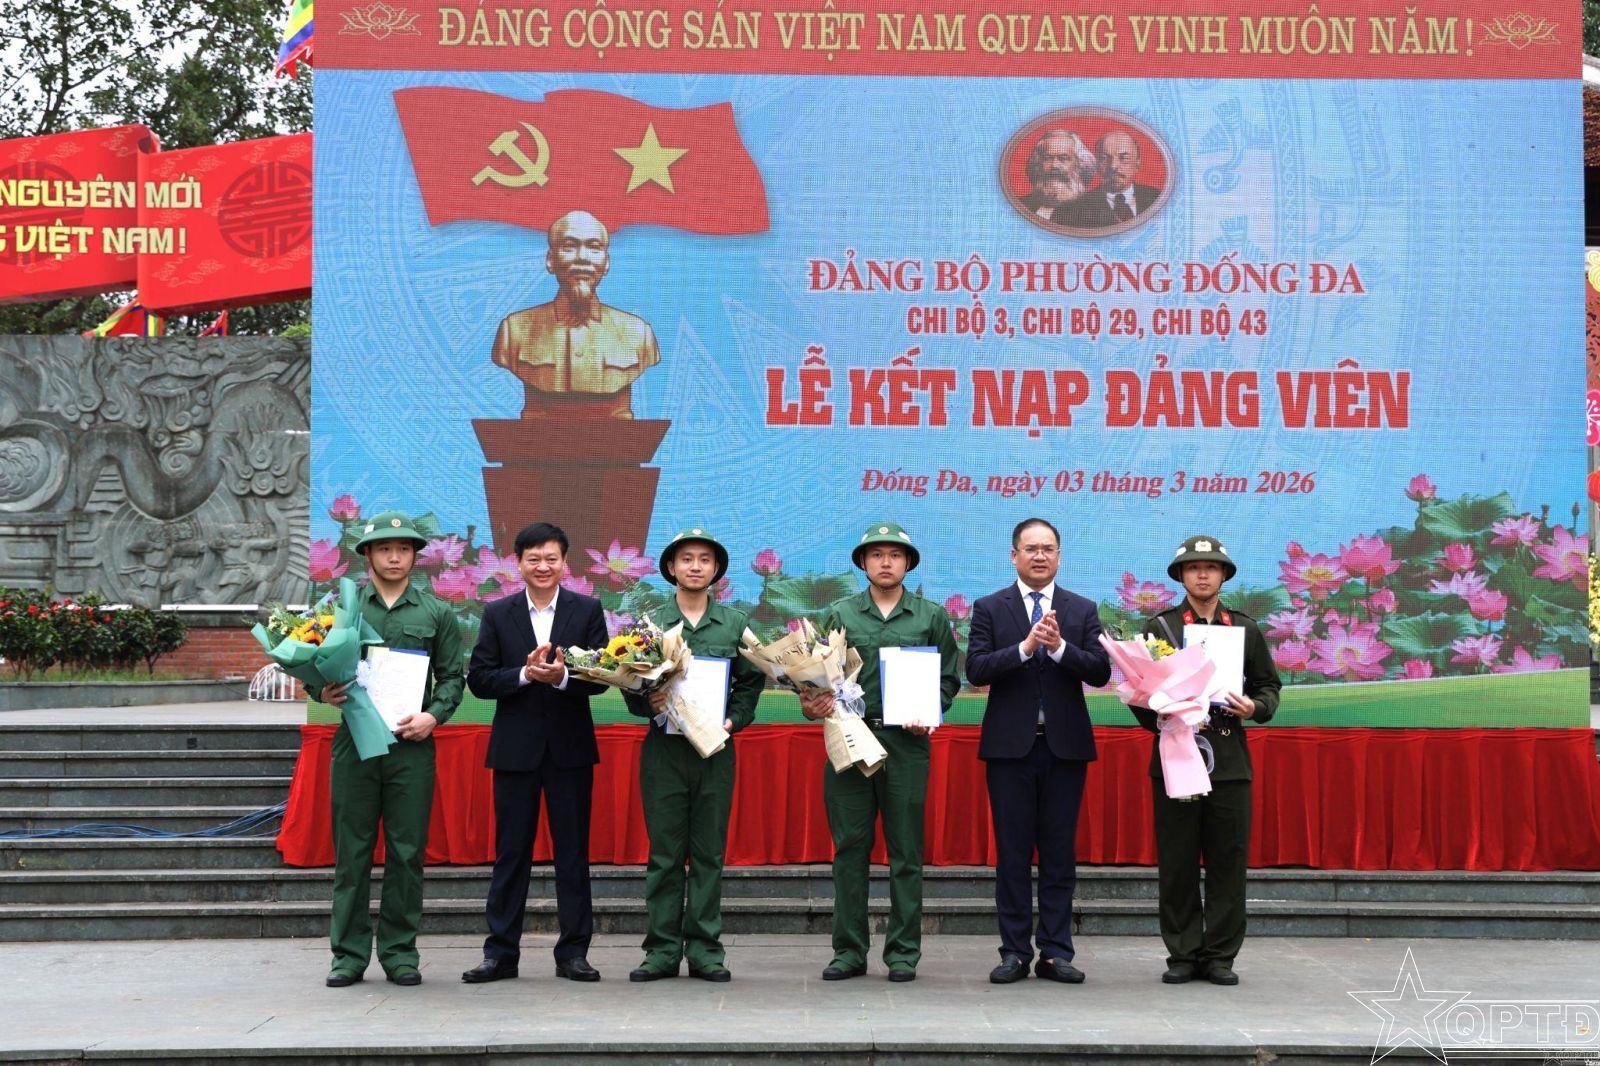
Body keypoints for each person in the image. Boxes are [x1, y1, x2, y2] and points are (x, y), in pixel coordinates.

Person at [798, 522, 959, 983]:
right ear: (863, 563)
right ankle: (849, 951)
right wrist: (812, 702)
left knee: (906, 851)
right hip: (850, 738)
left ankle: (903, 953)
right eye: (876, 555)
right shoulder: (840, 613)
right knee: (850, 847)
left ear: (908, 563)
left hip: (906, 744)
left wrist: (929, 711)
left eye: (895, 555)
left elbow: (949, 678)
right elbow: (815, 676)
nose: (886, 562)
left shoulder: (930, 616)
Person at [321, 510, 465, 988]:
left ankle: (400, 952)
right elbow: (317, 665)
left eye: (404, 549)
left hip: (410, 746)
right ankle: (348, 955)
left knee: (406, 853)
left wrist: (433, 715)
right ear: (367, 554)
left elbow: (453, 677)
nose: (395, 557)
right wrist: (321, 691)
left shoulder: (436, 613)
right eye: (384, 548)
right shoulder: (344, 609)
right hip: (356, 744)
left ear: (415, 557)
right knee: (352, 853)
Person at [462, 521, 609, 984]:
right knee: (511, 854)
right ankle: (500, 954)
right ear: (518, 563)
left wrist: (562, 678)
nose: (543, 566)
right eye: (533, 559)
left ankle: (573, 954)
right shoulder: (497, 613)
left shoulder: (587, 610)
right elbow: (480, 679)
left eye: (551, 558)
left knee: (572, 854)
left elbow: (603, 676)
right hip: (515, 751)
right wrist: (525, 675)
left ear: (565, 562)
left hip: (570, 750)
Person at [965, 517, 1110, 985]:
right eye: (1031, 548)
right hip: (1010, 751)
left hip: (1065, 749)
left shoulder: (1081, 609)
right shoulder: (990, 608)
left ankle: (1055, 951)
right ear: (1014, 556)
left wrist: (1061, 647)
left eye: (1048, 548)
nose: (1040, 556)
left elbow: (1101, 672)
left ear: (1059, 556)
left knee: (1059, 853)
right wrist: (1026, 648)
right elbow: (976, 669)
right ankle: (1013, 951)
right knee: (1012, 855)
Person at [1134, 535, 1281, 986]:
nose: (1203, 574)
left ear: (1223, 575)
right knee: (1177, 862)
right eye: (1194, 567)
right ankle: (1182, 953)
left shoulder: (1244, 629)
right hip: (1177, 758)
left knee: (1227, 863)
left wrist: (1255, 707)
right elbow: (1141, 693)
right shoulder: (1160, 628)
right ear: (1181, 575)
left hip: (1229, 763)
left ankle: (1219, 955)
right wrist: (1161, 712)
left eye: (1212, 567)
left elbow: (1268, 687)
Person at [622, 528, 764, 983]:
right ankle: (661, 951)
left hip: (715, 751)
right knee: (665, 855)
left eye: (705, 559)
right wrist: (647, 702)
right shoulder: (649, 624)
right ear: (671, 567)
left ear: (716, 569)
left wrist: (733, 720)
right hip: (665, 750)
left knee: (708, 854)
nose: (696, 566)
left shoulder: (735, 624)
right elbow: (628, 683)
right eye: (687, 559)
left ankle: (705, 950)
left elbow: (751, 683)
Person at [490, 210, 660, 420]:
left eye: (594, 247)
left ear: (606, 263)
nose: (582, 258)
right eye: (569, 246)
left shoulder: (637, 332)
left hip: (611, 438)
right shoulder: (515, 330)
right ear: (550, 260)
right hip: (541, 437)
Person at [1059, 130, 1162, 227]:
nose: (1113, 166)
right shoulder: (1075, 209)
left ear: (1137, 162)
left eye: (1123, 158)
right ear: (1097, 163)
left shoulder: (1157, 198)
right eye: (1104, 158)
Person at [1019, 129, 1096, 221]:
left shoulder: (1094, 210)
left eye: (1063, 158)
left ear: (1079, 163)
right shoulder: (1021, 205)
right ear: (1038, 162)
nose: (1054, 165)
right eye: (1047, 158)